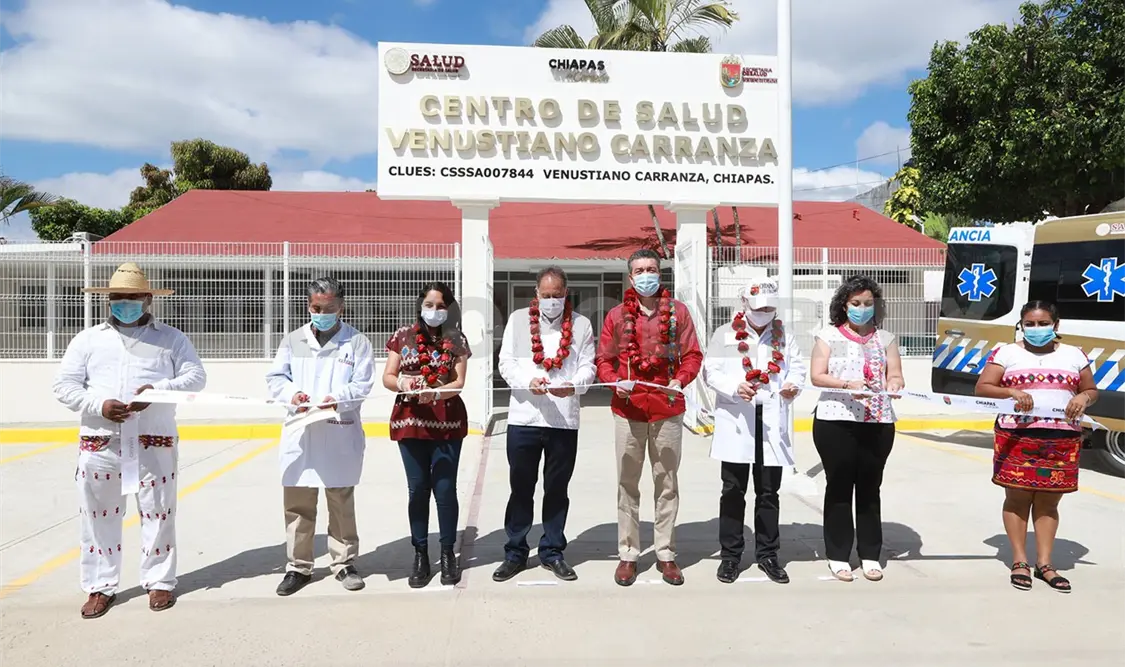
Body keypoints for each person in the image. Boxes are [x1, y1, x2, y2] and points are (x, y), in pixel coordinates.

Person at [52, 262, 206, 618]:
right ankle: (100, 587)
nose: (125, 303)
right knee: (98, 515)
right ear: (108, 300)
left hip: (155, 442)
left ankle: (160, 583)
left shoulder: (171, 338)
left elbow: (196, 377)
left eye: (132, 297)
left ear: (148, 299)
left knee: (159, 512)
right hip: (101, 441)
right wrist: (98, 405)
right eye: (118, 298)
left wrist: (160, 390)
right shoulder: (89, 339)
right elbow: (64, 385)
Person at [596, 248, 703, 586]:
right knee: (628, 484)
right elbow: (603, 360)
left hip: (667, 410)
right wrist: (615, 382)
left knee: (666, 484)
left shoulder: (679, 313)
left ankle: (665, 553)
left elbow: (693, 355)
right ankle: (628, 553)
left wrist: (679, 380)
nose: (646, 275)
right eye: (640, 270)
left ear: (660, 273)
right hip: (628, 410)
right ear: (630, 278)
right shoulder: (616, 316)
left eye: (652, 269)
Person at [975, 300, 1097, 593]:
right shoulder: (1006, 353)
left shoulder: (1074, 355)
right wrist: (1011, 391)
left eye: (1043, 323)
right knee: (1017, 498)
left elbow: (1090, 389)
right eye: (1029, 323)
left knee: (1049, 501)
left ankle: (1045, 564)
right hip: (1017, 435)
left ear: (1056, 325)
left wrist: (1084, 398)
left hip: (1061, 437)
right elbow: (983, 387)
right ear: (1021, 325)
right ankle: (1019, 560)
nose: (1036, 329)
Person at [266, 277, 374, 596]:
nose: (322, 313)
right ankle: (299, 567)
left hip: (338, 430)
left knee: (340, 501)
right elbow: (276, 378)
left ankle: (343, 563)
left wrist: (337, 398)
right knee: (298, 503)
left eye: (329, 308)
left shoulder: (357, 342)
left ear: (341, 306)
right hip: (302, 433)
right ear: (308, 305)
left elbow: (362, 384)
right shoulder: (293, 340)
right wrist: (294, 394)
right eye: (316, 308)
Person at [494, 266, 597, 583]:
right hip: (524, 417)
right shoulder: (517, 320)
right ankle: (515, 552)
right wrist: (527, 381)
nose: (552, 300)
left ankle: (552, 551)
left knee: (557, 490)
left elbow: (588, 366)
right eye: (546, 295)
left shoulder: (581, 325)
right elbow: (506, 362)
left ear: (567, 294)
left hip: (563, 420)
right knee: (521, 488)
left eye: (557, 295)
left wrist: (575, 385)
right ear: (536, 294)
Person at [703, 278, 806, 585]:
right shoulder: (725, 334)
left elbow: (797, 366)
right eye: (759, 308)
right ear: (744, 304)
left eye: (770, 308)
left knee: (769, 493)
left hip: (772, 419)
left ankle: (768, 554)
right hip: (738, 419)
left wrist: (793, 385)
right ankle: (730, 556)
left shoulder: (784, 335)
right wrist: (735, 388)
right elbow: (711, 371)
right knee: (733, 491)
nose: (764, 313)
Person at [809, 275, 903, 582]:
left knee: (869, 488)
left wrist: (894, 384)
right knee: (838, 486)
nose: (862, 309)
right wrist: (848, 385)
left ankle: (870, 554)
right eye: (856, 303)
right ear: (844, 305)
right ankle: (838, 555)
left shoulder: (886, 338)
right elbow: (817, 376)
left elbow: (896, 375)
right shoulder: (827, 336)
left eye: (868, 303)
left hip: (877, 421)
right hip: (836, 420)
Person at [383, 281, 471, 588]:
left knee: (445, 489)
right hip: (410, 421)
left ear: (449, 309)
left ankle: (448, 553)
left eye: (441, 305)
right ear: (420, 306)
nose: (435, 311)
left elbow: (459, 383)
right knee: (418, 488)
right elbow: (388, 377)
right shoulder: (402, 336)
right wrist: (405, 385)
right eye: (430, 305)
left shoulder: (457, 339)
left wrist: (436, 393)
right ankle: (420, 553)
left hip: (446, 421)